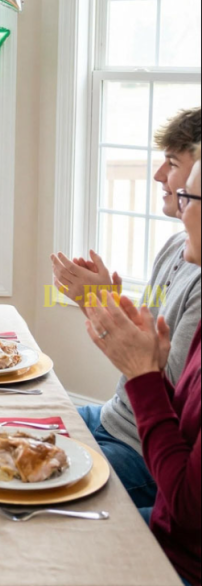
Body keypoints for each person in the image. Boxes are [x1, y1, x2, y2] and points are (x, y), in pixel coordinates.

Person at [51, 107, 201, 508]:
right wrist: (102, 305)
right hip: (112, 417)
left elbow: (160, 381)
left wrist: (105, 310)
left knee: (25, 482)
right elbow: (148, 347)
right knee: (4, 428)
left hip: (142, 453)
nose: (158, 175)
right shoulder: (175, 247)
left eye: (171, 163)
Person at [83, 145, 201, 586]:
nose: (180, 209)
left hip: (176, 554)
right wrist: (100, 307)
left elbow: (186, 508)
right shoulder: (179, 249)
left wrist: (143, 374)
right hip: (124, 429)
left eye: (190, 197)